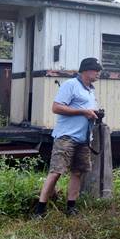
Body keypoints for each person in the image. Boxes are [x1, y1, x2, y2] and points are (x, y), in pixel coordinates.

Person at [33, 57, 102, 217]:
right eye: (96, 70)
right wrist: (83, 112)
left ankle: (71, 207)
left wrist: (94, 114)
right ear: (86, 70)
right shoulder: (70, 85)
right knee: (56, 171)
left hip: (83, 139)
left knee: (78, 172)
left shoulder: (90, 90)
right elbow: (56, 107)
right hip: (66, 137)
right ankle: (40, 209)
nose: (98, 73)